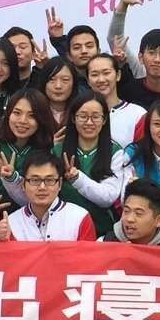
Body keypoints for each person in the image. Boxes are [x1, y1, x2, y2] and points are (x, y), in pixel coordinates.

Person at [60, 91, 132, 238]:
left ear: (104, 120)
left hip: (102, 231)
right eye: (83, 116)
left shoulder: (116, 152)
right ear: (73, 118)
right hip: (63, 230)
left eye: (95, 117)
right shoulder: (57, 150)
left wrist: (77, 179)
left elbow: (107, 197)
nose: (89, 122)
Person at [0, 88, 53, 210]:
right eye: (17, 113)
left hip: (32, 216)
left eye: (32, 116)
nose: (22, 121)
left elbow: (37, 200)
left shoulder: (45, 147)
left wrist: (11, 178)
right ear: (8, 114)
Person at [5, 149, 99, 241]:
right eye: (35, 180)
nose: (42, 187)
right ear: (23, 185)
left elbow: (89, 251)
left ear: (60, 184)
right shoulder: (10, 224)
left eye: (49, 180)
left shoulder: (79, 217)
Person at [82, 51, 146, 148]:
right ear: (88, 81)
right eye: (94, 75)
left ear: (118, 75)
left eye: (106, 73)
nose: (101, 79)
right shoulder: (80, 114)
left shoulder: (138, 115)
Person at [102, 178, 160, 247]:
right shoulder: (105, 243)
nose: (129, 219)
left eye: (138, 213)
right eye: (126, 211)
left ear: (158, 220)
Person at [35, 55, 79, 129]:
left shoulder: (82, 111)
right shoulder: (34, 112)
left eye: (65, 80)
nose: (58, 86)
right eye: (52, 79)